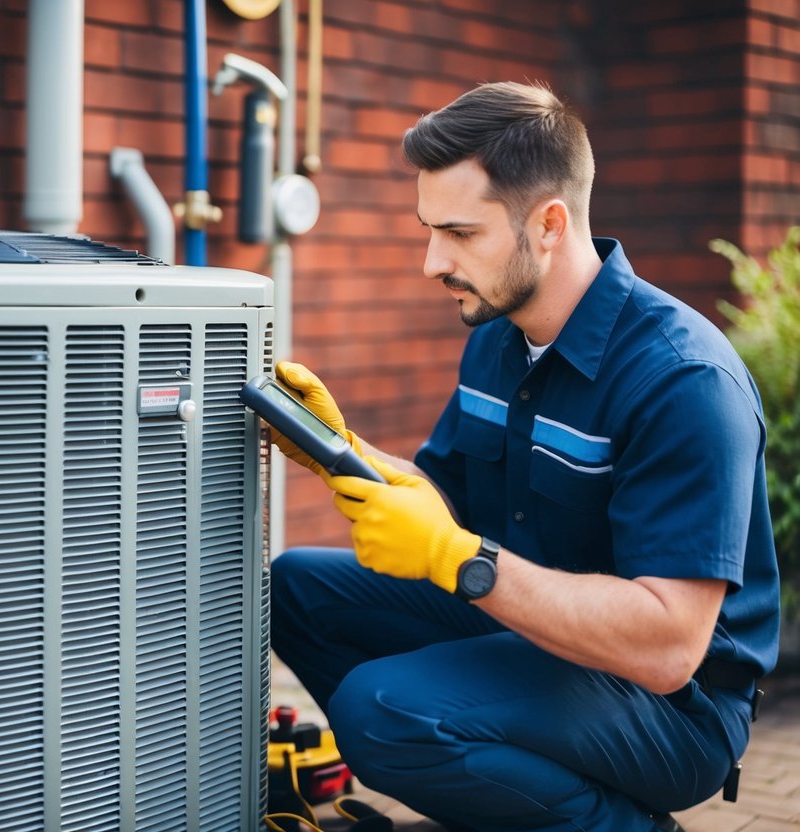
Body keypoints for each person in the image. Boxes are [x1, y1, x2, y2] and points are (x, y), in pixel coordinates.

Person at [269, 81, 780, 832]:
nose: (429, 262)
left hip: (672, 707)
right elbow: (438, 504)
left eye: (460, 233)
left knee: (381, 710)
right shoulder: (497, 340)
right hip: (533, 628)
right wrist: (338, 450)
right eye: (427, 229)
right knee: (295, 589)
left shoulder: (681, 379)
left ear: (547, 224)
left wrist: (463, 562)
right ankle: (502, 790)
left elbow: (669, 644)